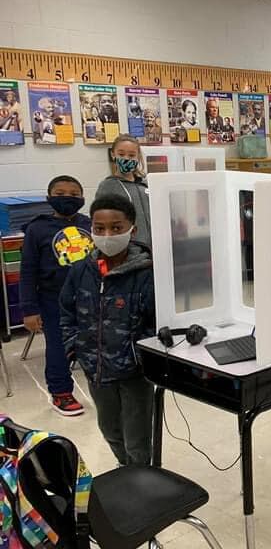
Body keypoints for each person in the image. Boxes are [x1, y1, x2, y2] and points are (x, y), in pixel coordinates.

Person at [60, 194, 156, 466]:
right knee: (110, 430)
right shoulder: (81, 271)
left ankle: (140, 480)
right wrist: (74, 347)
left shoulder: (147, 273)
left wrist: (140, 355)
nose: (107, 234)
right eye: (99, 228)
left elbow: (158, 320)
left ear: (132, 230)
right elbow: (67, 312)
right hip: (96, 370)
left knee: (137, 437)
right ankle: (125, 468)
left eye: (116, 228)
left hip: (134, 374)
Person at [19, 175, 94, 416]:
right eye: (60, 194)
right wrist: (29, 309)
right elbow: (28, 270)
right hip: (53, 300)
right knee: (58, 347)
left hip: (90, 296)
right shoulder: (36, 229)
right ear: (48, 198)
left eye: (74, 194)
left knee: (95, 342)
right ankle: (61, 393)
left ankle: (102, 386)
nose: (67, 198)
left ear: (82, 198)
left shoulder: (91, 224)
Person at [95, 135, 151, 248]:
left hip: (153, 247)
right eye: (121, 154)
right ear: (113, 154)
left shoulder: (145, 184)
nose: (126, 158)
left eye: (131, 155)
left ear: (138, 157)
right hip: (127, 249)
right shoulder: (108, 186)